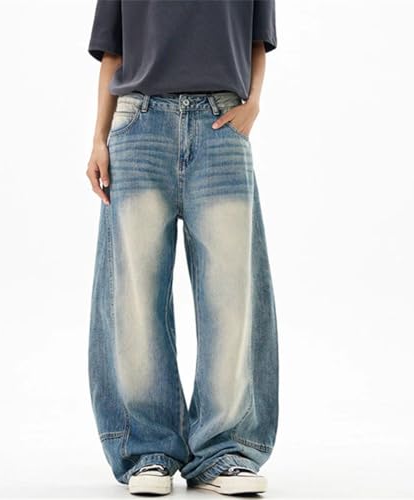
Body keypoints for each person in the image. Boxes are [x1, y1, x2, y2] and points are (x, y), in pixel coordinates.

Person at [85, 0, 279, 495]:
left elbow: (257, 38)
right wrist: (99, 139)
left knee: (231, 297)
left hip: (222, 124)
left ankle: (226, 451)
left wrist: (254, 102)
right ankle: (146, 451)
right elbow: (112, 51)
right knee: (133, 301)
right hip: (138, 123)